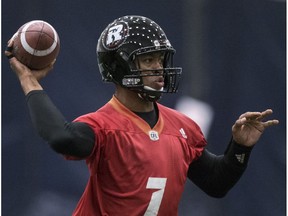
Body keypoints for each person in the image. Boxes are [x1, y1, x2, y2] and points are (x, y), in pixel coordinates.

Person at [5, 15, 279, 216]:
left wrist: (240, 148)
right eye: (148, 60)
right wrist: (29, 80)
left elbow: (216, 183)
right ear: (119, 66)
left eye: (160, 59)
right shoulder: (104, 127)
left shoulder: (182, 127)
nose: (159, 68)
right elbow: (60, 137)